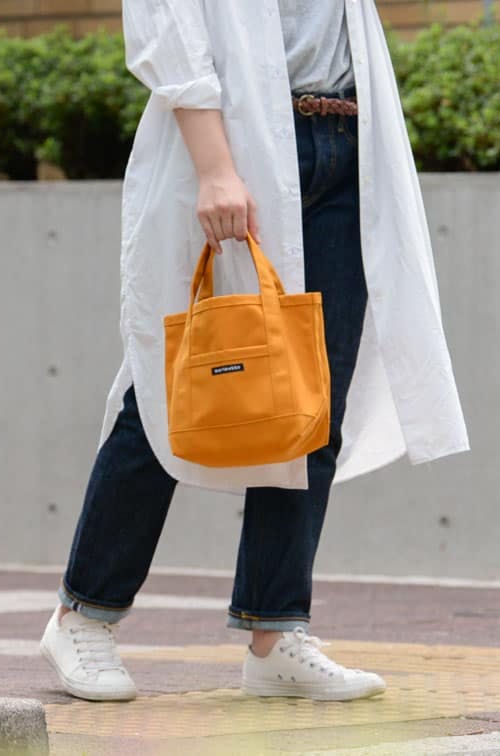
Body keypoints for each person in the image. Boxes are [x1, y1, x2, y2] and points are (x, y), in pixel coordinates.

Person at [39, 0, 469, 703]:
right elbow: (166, 23)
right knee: (174, 391)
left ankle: (276, 632)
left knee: (312, 397)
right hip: (238, 145)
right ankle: (82, 614)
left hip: (347, 138)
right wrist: (215, 167)